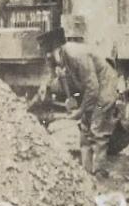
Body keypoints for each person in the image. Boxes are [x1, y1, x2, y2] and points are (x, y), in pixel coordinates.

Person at [36, 27, 117, 177]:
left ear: (58, 50)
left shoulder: (77, 56)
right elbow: (51, 72)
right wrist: (44, 86)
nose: (48, 59)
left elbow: (93, 88)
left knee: (97, 127)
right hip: (90, 86)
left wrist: (80, 111)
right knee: (85, 130)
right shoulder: (56, 56)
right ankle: (86, 172)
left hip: (105, 85)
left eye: (49, 56)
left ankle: (100, 171)